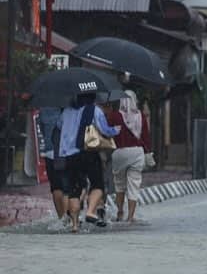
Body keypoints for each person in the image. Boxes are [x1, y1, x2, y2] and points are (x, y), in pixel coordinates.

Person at [57, 93, 120, 232]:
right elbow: (105, 130)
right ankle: (91, 212)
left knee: (74, 189)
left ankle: (74, 224)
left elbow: (60, 126)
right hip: (87, 153)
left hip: (69, 155)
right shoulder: (94, 110)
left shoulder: (66, 111)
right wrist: (115, 130)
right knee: (98, 185)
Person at [106, 90, 150, 222]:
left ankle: (120, 212)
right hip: (137, 152)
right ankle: (130, 217)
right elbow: (146, 137)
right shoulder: (140, 116)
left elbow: (108, 133)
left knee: (119, 184)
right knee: (134, 185)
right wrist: (147, 151)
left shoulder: (115, 116)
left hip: (119, 152)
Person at [37, 107, 67, 222]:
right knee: (66, 187)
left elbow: (42, 129)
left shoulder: (43, 111)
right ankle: (68, 216)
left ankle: (61, 218)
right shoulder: (65, 109)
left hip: (49, 152)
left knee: (55, 187)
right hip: (64, 152)